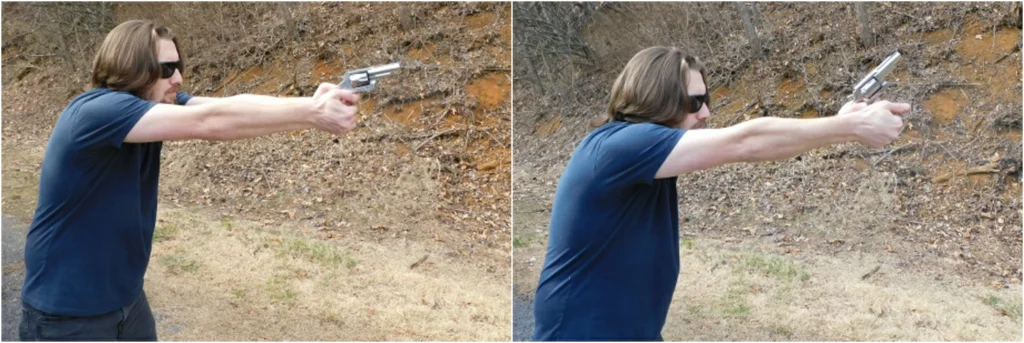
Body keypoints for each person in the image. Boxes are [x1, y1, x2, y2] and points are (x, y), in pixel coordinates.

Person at [531, 46, 910, 341]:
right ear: (656, 97)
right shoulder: (621, 146)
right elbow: (747, 143)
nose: (707, 112)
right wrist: (849, 126)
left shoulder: (637, 154)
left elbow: (759, 147)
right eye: (694, 101)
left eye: (706, 99)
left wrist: (841, 123)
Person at [19, 20, 360, 341]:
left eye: (179, 65)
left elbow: (227, 107)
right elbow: (208, 122)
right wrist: (312, 114)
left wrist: (311, 105)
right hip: (66, 310)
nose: (178, 78)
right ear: (131, 67)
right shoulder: (98, 111)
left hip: (125, 296)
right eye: (166, 69)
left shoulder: (152, 104)